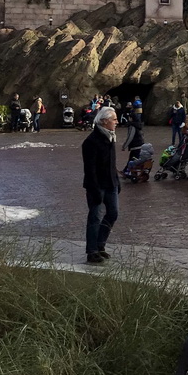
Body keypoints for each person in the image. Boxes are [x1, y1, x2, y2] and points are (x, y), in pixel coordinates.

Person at [82, 106, 120, 264]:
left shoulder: (110, 137)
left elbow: (112, 164)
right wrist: (95, 188)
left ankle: (100, 244)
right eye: (114, 119)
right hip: (97, 186)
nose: (117, 122)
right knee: (95, 217)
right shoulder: (91, 141)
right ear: (104, 121)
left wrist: (117, 181)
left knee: (113, 214)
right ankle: (92, 251)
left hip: (111, 183)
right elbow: (90, 169)